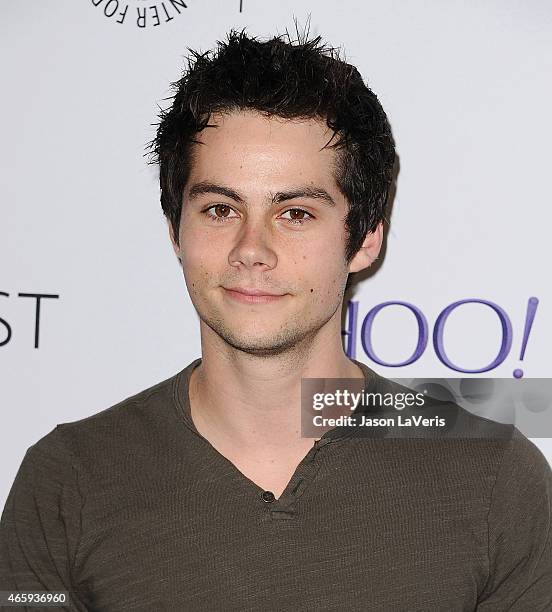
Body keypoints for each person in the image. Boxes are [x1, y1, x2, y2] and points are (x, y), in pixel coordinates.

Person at [1, 28, 551, 611]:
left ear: (364, 239)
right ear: (175, 231)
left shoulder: (494, 479)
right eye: (219, 208)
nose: (251, 248)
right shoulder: (68, 480)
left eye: (295, 213)